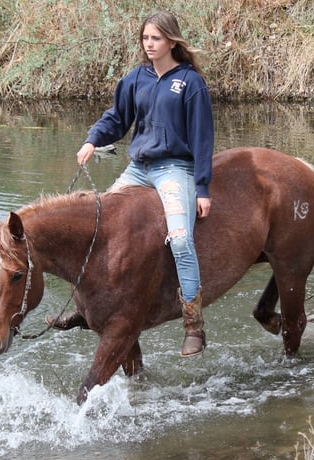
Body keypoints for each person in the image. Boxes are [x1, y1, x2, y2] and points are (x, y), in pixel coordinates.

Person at [48, 10, 214, 358]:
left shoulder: (190, 82)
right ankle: (84, 308)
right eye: (145, 38)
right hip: (138, 168)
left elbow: (202, 139)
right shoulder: (136, 78)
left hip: (174, 169)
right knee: (97, 227)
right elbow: (117, 119)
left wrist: (202, 189)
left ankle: (194, 325)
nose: (149, 44)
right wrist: (92, 140)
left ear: (172, 40)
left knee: (181, 240)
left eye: (156, 38)